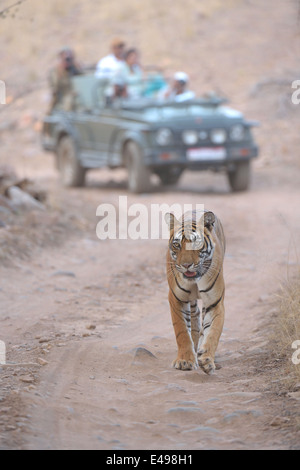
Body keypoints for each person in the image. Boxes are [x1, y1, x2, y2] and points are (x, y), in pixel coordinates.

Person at [48, 47, 82, 112]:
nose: (68, 61)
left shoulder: (74, 69)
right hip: (63, 99)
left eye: (70, 59)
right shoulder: (56, 71)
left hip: (75, 98)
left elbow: (82, 76)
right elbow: (54, 88)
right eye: (66, 59)